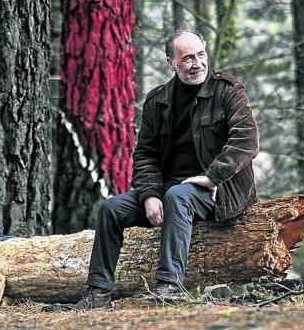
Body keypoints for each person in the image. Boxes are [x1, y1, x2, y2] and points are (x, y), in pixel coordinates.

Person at [75, 28, 259, 309]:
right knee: (112, 208)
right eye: (187, 58)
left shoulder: (228, 91)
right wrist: (149, 194)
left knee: (178, 195)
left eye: (201, 55)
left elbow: (246, 141)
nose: (197, 63)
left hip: (218, 190)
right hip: (167, 187)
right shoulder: (158, 100)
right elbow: (145, 154)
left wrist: (211, 178)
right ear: (171, 63)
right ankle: (97, 292)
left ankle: (168, 286)